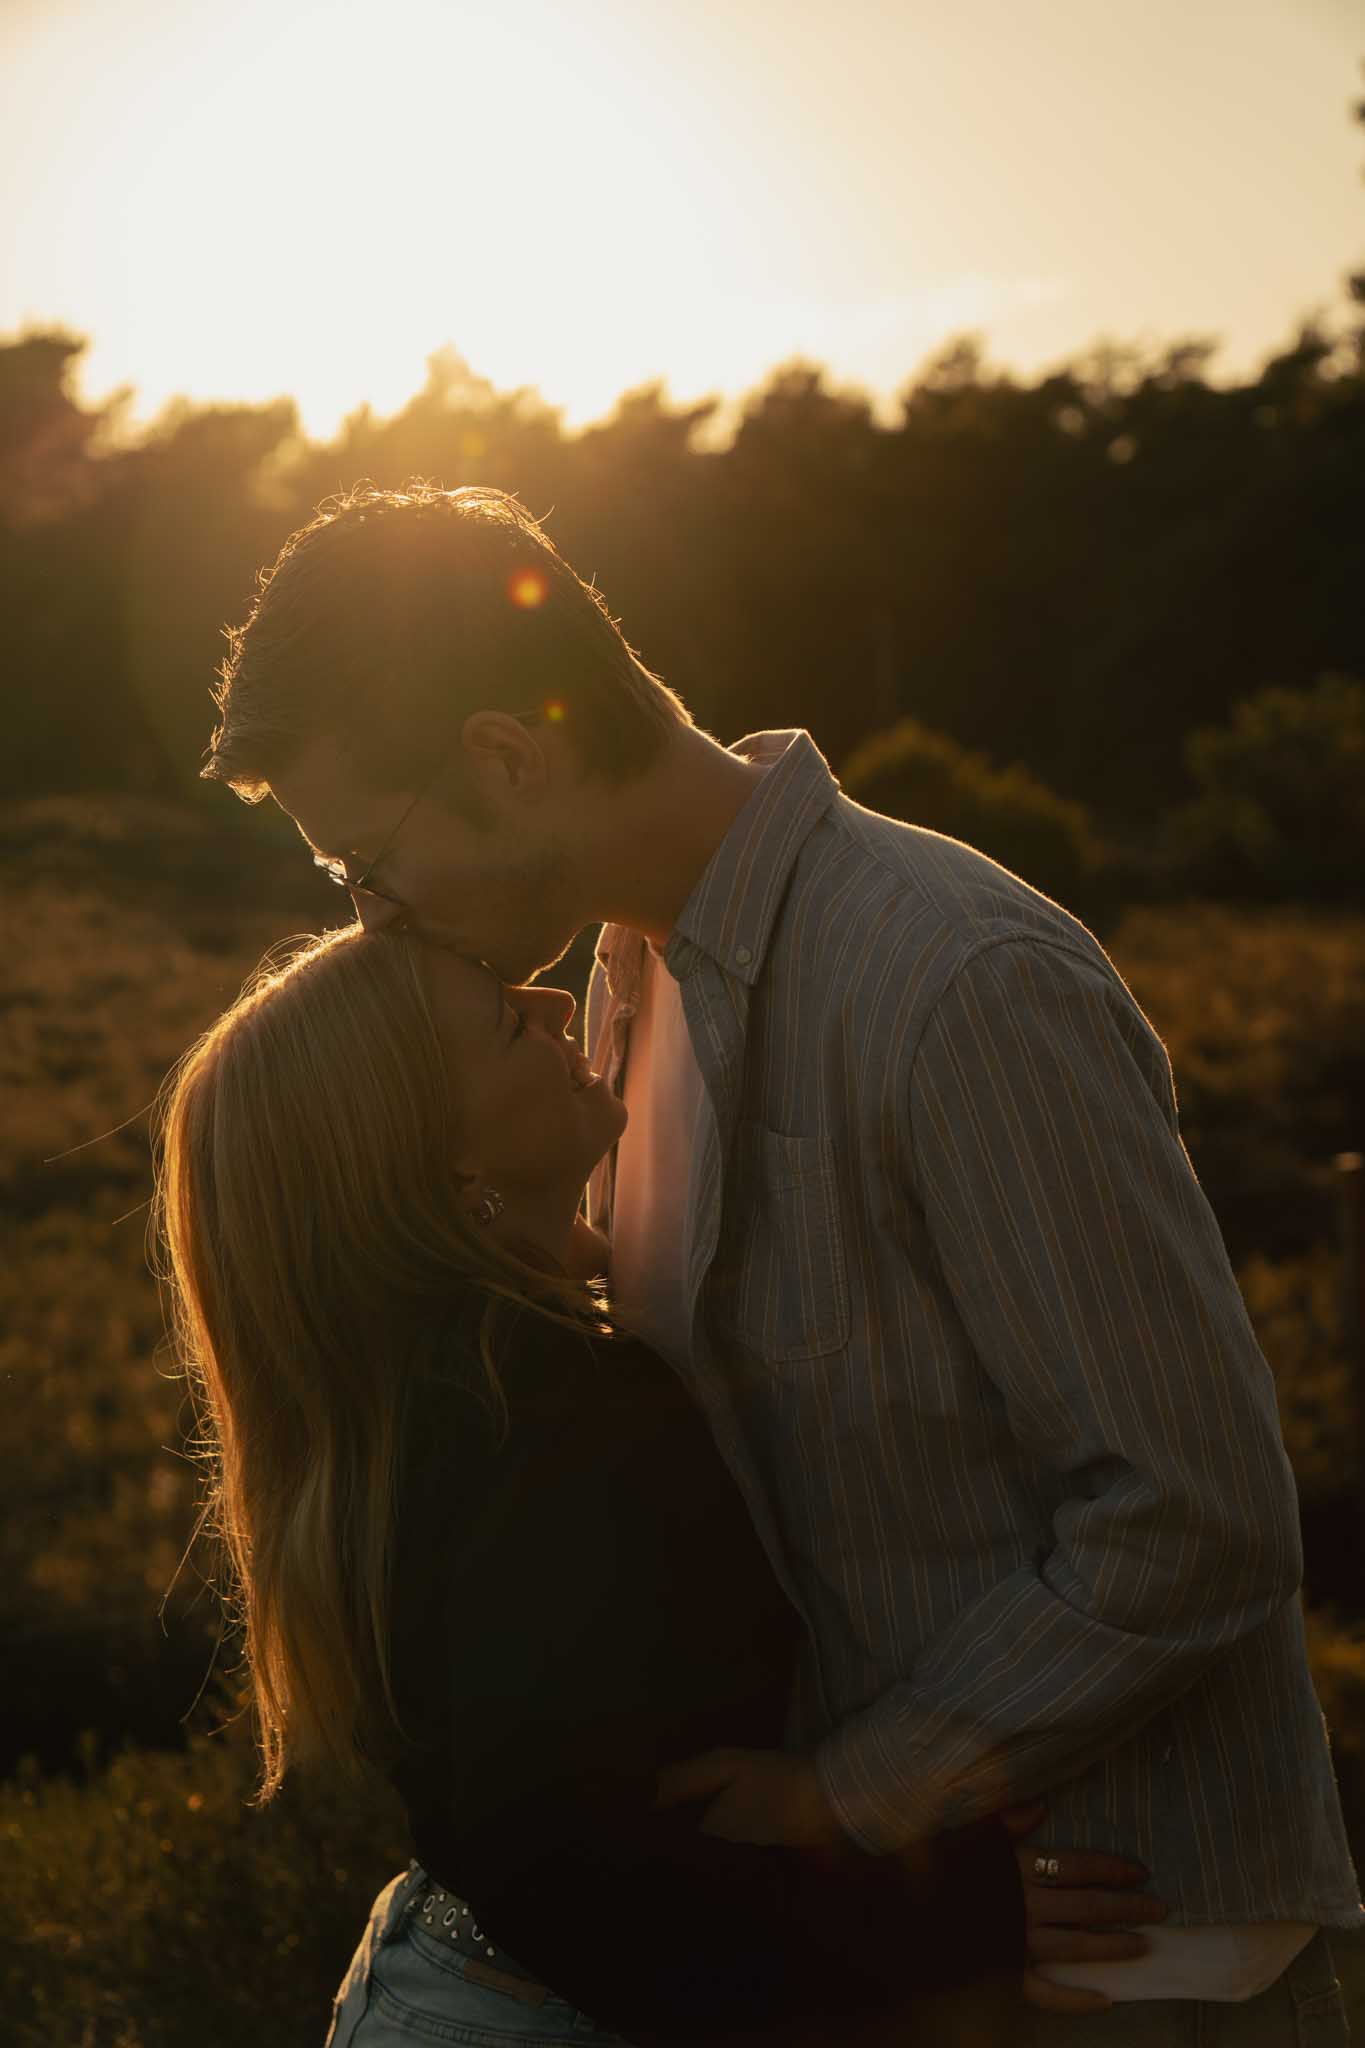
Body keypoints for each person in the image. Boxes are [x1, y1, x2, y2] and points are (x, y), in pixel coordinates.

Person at [203, 481, 1362, 2042]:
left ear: (504, 753)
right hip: (908, 1961)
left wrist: (854, 1795)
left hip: (1130, 1955)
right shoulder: (622, 993)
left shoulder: (955, 976)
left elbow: (1193, 1508)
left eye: (365, 860)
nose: (369, 914)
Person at [153, 924, 1031, 2046]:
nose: (559, 1006)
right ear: (449, 1162)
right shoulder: (555, 1412)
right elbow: (579, 1877)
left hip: (445, 1984)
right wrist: (977, 1909)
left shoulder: (423, 1400)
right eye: (505, 1021)